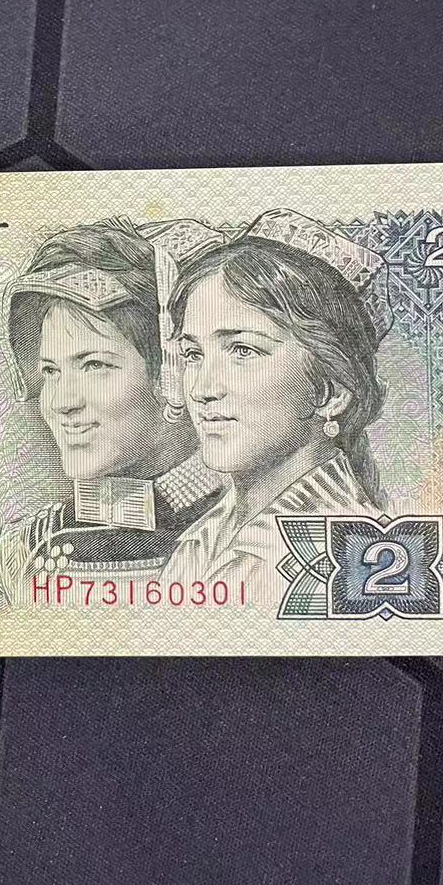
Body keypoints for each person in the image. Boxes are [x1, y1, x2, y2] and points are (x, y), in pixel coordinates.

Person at [0, 217, 221, 611]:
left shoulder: (253, 531)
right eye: (50, 371)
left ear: (172, 373)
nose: (61, 402)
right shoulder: (20, 551)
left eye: (94, 365)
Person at [159, 208, 391, 609]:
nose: (201, 389)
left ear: (331, 391)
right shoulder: (202, 538)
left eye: (242, 350)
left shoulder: (346, 556)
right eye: (193, 354)